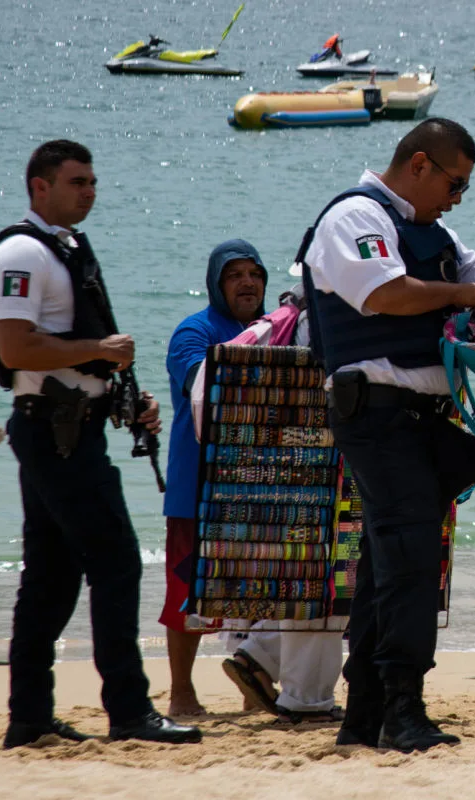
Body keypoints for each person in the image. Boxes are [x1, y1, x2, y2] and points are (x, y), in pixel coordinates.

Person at [301, 117, 475, 752]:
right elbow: (388, 294)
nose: (458, 198)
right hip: (375, 412)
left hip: (420, 418)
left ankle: (365, 713)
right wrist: (465, 293)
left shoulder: (436, 231)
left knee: (387, 564)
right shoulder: (354, 217)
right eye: (455, 183)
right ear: (421, 164)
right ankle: (403, 708)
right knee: (409, 560)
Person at [0, 139, 200, 748]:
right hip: (52, 434)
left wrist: (123, 402)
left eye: (92, 181)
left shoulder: (66, 248)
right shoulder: (22, 251)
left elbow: (66, 356)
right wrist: (99, 352)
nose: (89, 190)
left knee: (51, 577)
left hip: (68, 429)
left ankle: (29, 718)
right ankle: (130, 711)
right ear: (39, 187)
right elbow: (16, 348)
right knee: (115, 562)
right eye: (76, 181)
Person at [164, 242, 344, 722]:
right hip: (197, 487)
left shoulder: (277, 329)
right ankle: (181, 693)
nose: (246, 283)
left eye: (253, 274)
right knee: (186, 594)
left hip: (259, 482)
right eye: (234, 276)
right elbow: (206, 383)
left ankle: (253, 685)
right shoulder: (194, 332)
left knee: (261, 586)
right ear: (215, 284)